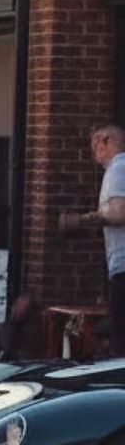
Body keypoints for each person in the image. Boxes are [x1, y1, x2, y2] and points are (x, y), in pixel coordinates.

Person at [74, 122, 125, 357]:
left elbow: (118, 212)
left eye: (95, 142)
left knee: (120, 340)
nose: (93, 149)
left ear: (106, 141)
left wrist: (86, 219)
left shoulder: (118, 168)